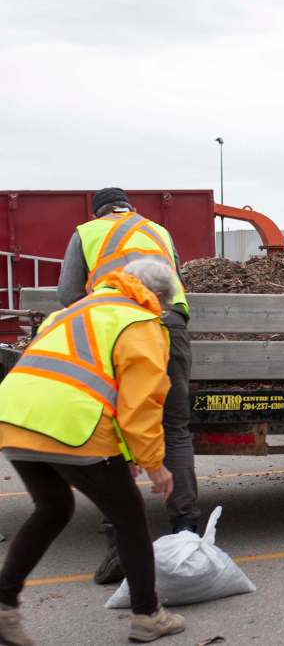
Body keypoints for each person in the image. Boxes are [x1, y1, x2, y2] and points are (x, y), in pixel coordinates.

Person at [0, 259, 188, 645]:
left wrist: (127, 455)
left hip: (15, 418)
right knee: (130, 518)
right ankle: (148, 617)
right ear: (157, 298)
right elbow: (140, 403)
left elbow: (93, 383)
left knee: (53, 508)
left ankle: (2, 607)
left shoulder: (69, 313)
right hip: (71, 426)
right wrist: (155, 464)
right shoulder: (140, 323)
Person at [56, 187, 199, 584]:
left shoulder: (86, 233)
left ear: (98, 211)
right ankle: (186, 530)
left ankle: (120, 545)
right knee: (175, 427)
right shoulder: (157, 230)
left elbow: (68, 294)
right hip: (170, 324)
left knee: (115, 430)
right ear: (130, 208)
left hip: (116, 326)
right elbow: (175, 280)